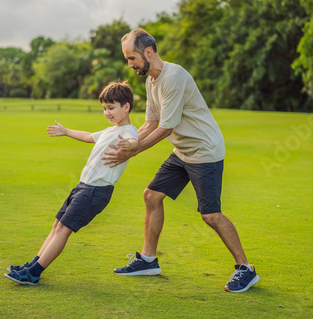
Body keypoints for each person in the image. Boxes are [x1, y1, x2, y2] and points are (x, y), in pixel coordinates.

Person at [105, 29, 259, 293]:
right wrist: (126, 141)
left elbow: (165, 128)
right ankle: (148, 261)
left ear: (148, 52)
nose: (129, 64)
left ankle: (246, 269)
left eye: (132, 58)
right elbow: (150, 123)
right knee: (151, 196)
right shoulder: (151, 82)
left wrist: (133, 150)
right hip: (183, 151)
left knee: (210, 215)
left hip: (204, 151)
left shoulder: (173, 77)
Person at [5, 81, 138, 285]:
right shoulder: (109, 130)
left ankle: (34, 273)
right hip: (83, 186)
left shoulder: (128, 131)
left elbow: (133, 142)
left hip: (96, 190)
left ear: (126, 107)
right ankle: (31, 265)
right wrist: (66, 131)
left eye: (111, 108)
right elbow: (88, 136)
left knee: (64, 229)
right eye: (104, 108)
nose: (107, 113)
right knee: (57, 225)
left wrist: (127, 145)